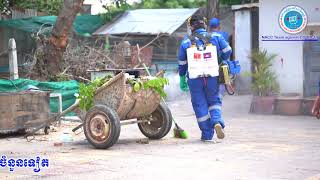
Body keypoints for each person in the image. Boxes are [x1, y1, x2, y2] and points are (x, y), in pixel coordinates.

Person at [178, 15, 232, 141]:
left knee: (199, 104)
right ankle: (217, 121)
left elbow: (182, 63)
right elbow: (228, 50)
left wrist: (181, 77)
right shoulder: (217, 37)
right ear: (204, 25)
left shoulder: (186, 42)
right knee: (214, 101)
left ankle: (207, 134)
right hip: (212, 76)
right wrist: (221, 58)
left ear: (191, 27)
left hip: (194, 79)